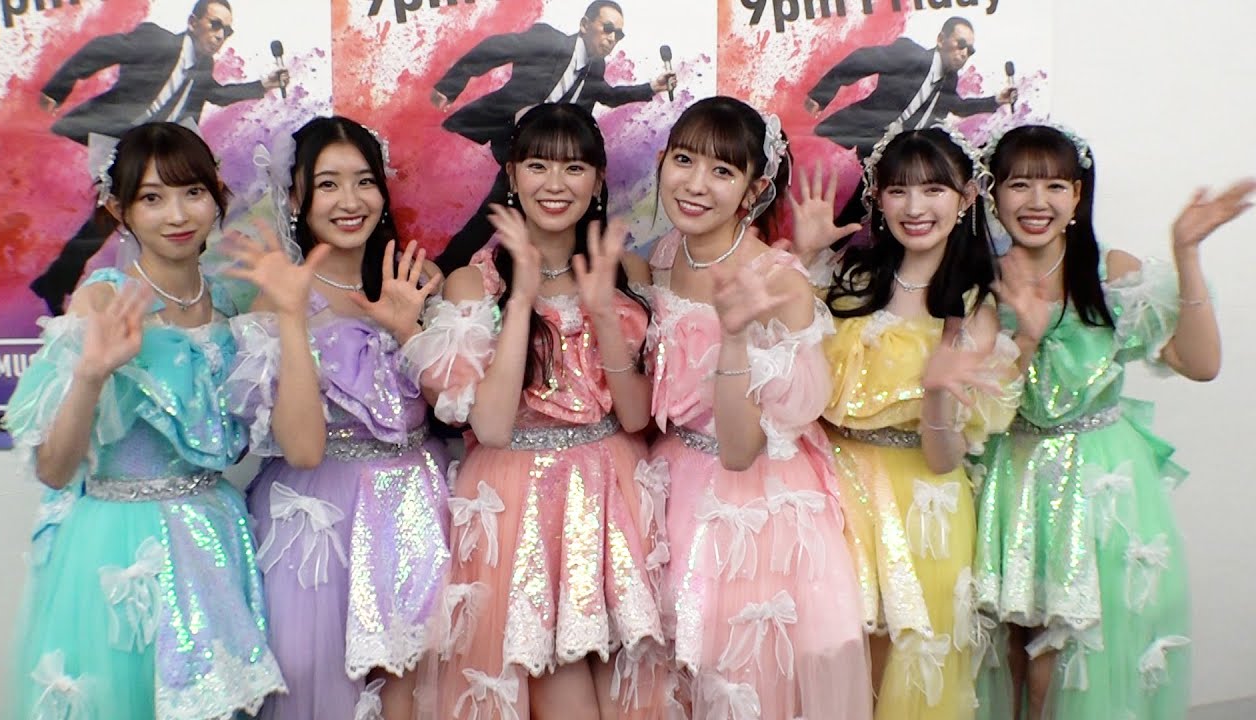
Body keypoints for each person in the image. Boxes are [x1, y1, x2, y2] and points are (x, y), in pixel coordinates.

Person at [3, 121, 288, 719]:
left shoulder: (232, 303)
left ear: (216, 197)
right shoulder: (103, 300)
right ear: (121, 211)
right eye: (152, 198)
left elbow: (240, 441)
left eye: (192, 192)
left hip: (214, 537)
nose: (176, 215)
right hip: (122, 545)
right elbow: (54, 470)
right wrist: (91, 374)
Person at [972, 122, 1255, 720]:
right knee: (1010, 656)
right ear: (993, 194)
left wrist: (1186, 253)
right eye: (1020, 184)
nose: (1037, 201)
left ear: (1077, 196)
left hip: (1099, 484)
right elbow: (979, 404)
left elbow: (1201, 364)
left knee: (1069, 662)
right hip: (1010, 479)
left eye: (1055, 185)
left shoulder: (1110, 271)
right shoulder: (979, 281)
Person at [407, 103, 665, 719]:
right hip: (516, 496)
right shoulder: (473, 284)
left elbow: (636, 418)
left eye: (574, 168)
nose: (556, 184)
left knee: (626, 685)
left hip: (615, 488)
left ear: (598, 182)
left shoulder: (627, 272)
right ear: (513, 176)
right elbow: (491, 427)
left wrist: (603, 312)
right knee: (547, 680)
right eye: (538, 165)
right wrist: (521, 296)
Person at [644, 96, 871, 719]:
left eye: (722, 171)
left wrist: (736, 337)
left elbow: (744, 448)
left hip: (753, 506)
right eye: (684, 161)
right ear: (662, 163)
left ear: (754, 189)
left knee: (745, 680)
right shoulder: (663, 256)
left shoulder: (779, 282)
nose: (696, 184)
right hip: (674, 483)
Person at [226, 115, 453, 720]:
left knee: (414, 689)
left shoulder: (414, 281)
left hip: (416, 509)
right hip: (319, 518)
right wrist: (293, 317)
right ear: (295, 198)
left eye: (364, 181)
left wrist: (414, 328)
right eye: (328, 184)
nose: (350, 201)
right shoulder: (275, 301)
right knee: (317, 676)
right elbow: (298, 445)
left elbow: (456, 411)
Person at [791, 122, 1021, 718]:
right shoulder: (849, 280)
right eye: (898, 191)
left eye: (933, 190)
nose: (915, 208)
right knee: (839, 659)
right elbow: (788, 375)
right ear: (878, 198)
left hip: (923, 505)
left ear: (966, 198)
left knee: (909, 668)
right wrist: (805, 258)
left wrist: (938, 390)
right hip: (832, 493)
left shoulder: (975, 307)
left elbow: (944, 458)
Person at [30, 0, 290, 316]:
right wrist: (57, 89)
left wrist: (264, 85)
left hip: (158, 156)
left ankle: (61, 282)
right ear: (193, 22)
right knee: (111, 217)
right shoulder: (156, 41)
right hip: (119, 141)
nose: (221, 35)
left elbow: (217, 94)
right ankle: (69, 285)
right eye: (215, 25)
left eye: (227, 30)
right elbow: (100, 50)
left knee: (126, 222)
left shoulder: (203, 66)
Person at [430, 0, 675, 274]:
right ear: (585, 25)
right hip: (518, 147)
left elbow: (608, 95)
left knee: (592, 202)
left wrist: (651, 87)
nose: (612, 38)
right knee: (492, 217)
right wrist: (450, 86)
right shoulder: (547, 41)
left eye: (618, 34)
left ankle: (594, 274)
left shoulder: (595, 67)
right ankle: (443, 271)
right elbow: (494, 48)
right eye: (607, 28)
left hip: (559, 160)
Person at [805, 16, 1015, 228]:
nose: (964, 53)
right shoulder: (909, 55)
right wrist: (821, 95)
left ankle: (841, 236)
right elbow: (861, 60)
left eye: (970, 50)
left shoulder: (949, 80)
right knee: (863, 199)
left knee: (875, 204)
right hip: (869, 136)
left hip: (900, 154)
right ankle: (832, 237)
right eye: (960, 44)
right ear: (941, 39)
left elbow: (957, 106)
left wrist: (996, 100)